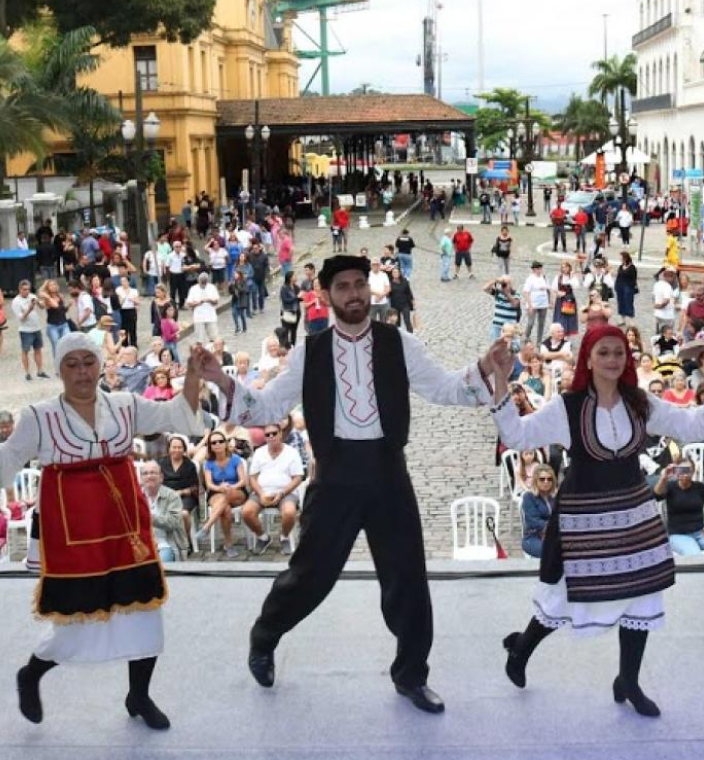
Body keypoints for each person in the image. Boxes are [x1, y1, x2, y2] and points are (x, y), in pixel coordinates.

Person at [199, 254, 508, 714]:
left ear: (370, 289)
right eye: (342, 286)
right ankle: (264, 636)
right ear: (327, 295)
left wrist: (484, 365)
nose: (354, 294)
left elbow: (443, 388)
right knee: (311, 574)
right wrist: (221, 380)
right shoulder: (310, 351)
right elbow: (265, 408)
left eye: (360, 284)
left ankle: (411, 674)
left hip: (388, 471)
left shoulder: (399, 342)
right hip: (335, 473)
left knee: (407, 578)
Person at [0, 333, 214, 730]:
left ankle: (139, 695)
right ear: (59, 369)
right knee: (74, 618)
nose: (82, 371)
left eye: (89, 362)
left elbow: (179, 415)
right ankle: (31, 674)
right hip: (72, 527)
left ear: (101, 365)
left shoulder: (125, 405)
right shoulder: (39, 415)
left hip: (123, 521)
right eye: (73, 364)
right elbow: (4, 463)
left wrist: (191, 375)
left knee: (143, 609)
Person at [487, 323, 704, 717]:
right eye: (603, 352)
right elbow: (517, 436)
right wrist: (501, 380)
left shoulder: (640, 403)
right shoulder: (566, 408)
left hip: (634, 515)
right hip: (584, 520)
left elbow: (694, 426)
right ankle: (521, 650)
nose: (612, 360)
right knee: (564, 596)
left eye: (618, 352)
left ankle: (629, 680)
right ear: (587, 358)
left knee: (642, 594)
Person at [242, 422, 306, 555]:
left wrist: (282, 493)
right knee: (247, 512)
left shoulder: (291, 452)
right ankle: (263, 537)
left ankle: (284, 536)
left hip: (285, 491)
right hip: (262, 491)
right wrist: (260, 494)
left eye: (274, 433)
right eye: (267, 435)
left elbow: (298, 477)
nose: (271, 436)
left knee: (289, 512)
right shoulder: (259, 452)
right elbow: (252, 477)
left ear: (281, 434)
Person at [655, 458, 704, 555]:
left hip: (700, 533)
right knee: (695, 555)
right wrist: (663, 478)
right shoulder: (671, 487)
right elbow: (656, 495)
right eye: (682, 470)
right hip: (678, 535)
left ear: (693, 471)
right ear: (677, 471)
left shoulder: (700, 488)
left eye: (688, 470)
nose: (685, 474)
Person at [196, 429, 249, 558]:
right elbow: (209, 484)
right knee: (225, 510)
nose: (217, 444)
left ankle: (207, 526)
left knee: (228, 495)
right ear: (210, 446)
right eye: (214, 443)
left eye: (221, 441)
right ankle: (228, 544)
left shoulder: (235, 459)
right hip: (217, 492)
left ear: (226, 443)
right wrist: (221, 488)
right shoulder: (209, 463)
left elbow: (243, 481)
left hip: (237, 491)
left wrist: (231, 486)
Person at [138, 460, 188, 563]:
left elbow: (174, 522)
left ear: (161, 477)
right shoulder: (135, 497)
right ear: (141, 478)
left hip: (166, 545)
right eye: (145, 473)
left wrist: (148, 517)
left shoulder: (172, 496)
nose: (149, 476)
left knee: (160, 568)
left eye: (153, 473)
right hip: (142, 546)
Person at [520, 463, 557, 558]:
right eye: (542, 479)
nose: (546, 482)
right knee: (549, 551)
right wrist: (552, 526)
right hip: (533, 536)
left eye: (549, 479)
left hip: (555, 534)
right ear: (536, 481)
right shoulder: (529, 497)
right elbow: (533, 521)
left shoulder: (555, 497)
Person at [523, 262, 551, 341]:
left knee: (541, 324)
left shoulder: (544, 277)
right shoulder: (530, 279)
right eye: (537, 269)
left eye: (540, 268)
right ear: (533, 270)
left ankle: (539, 341)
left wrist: (550, 301)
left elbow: (548, 290)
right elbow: (526, 292)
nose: (539, 270)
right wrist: (530, 305)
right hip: (533, 304)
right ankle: (527, 336)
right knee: (531, 322)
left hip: (543, 304)